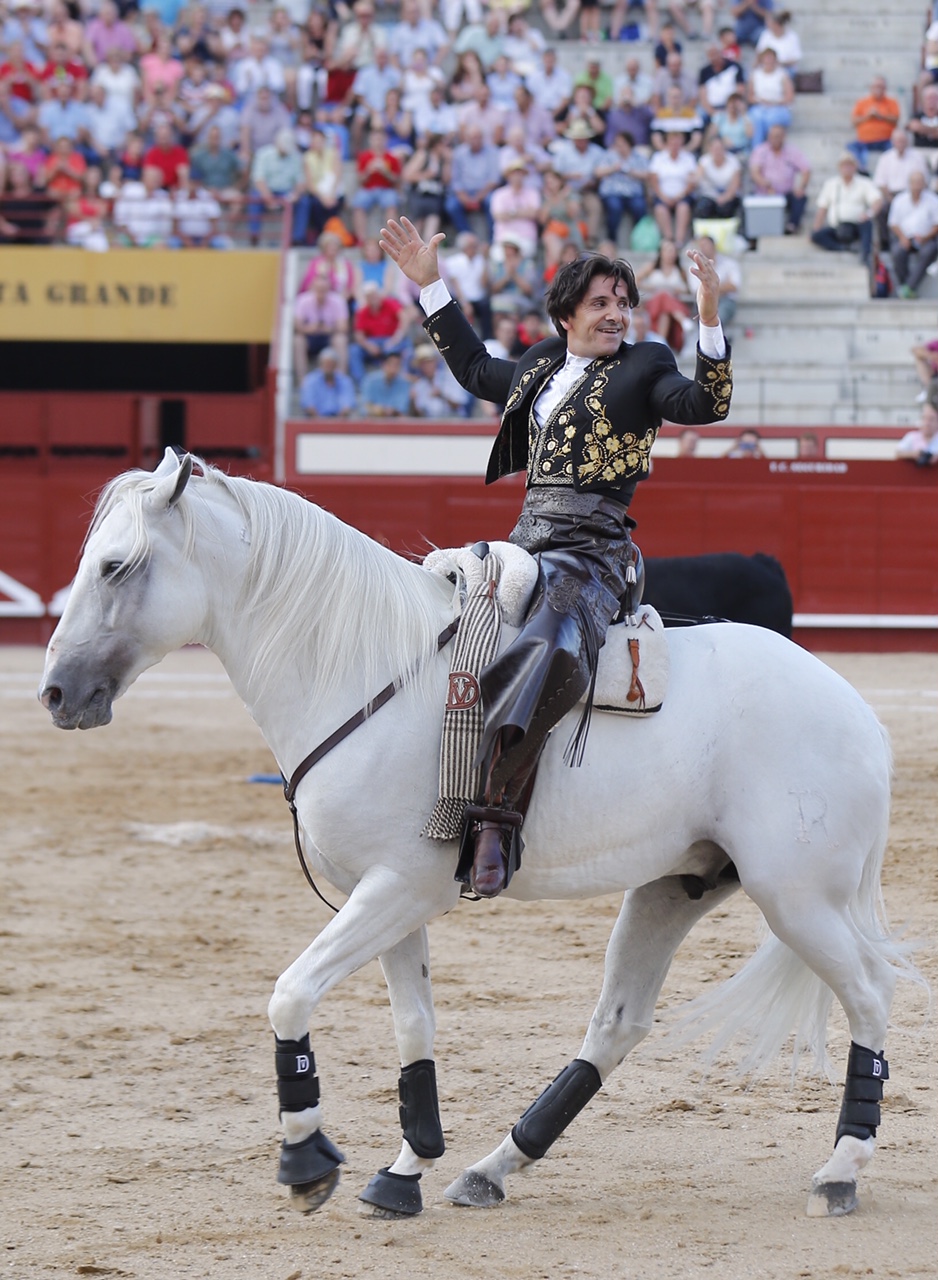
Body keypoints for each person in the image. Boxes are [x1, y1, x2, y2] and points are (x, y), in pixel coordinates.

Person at [378, 215, 732, 897]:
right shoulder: (542, 364)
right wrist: (432, 288)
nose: (616, 315)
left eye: (623, 303)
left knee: (549, 647)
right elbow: (478, 368)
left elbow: (704, 404)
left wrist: (709, 318)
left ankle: (493, 816)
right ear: (567, 314)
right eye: (601, 303)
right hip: (526, 543)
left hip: (593, 554)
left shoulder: (646, 365)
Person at [810, 152, 881, 266]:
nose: (847, 168)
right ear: (839, 167)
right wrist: (816, 227)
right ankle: (842, 248)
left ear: (855, 166)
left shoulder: (864, 182)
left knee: (867, 224)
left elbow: (877, 200)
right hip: (837, 228)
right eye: (844, 165)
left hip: (857, 226)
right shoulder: (831, 184)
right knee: (816, 235)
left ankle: (865, 255)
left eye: (850, 165)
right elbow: (822, 208)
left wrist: (869, 213)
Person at [748, 122, 810, 234]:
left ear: (783, 136)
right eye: (772, 136)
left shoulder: (792, 151)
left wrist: (801, 187)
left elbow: (806, 170)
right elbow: (754, 172)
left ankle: (792, 226)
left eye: (777, 136)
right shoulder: (761, 150)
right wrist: (765, 183)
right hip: (765, 193)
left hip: (785, 193)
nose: (774, 139)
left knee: (800, 197)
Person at [887, 170, 938, 299]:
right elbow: (893, 223)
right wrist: (903, 238)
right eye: (915, 182)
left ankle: (907, 288)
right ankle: (908, 287)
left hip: (926, 239)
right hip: (903, 237)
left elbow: (936, 224)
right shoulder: (900, 199)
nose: (917, 185)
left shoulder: (933, 199)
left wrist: (925, 238)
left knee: (930, 251)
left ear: (924, 183)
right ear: (909, 184)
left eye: (920, 182)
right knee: (897, 252)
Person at [848, 76, 901, 175]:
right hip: (864, 141)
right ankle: (862, 169)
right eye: (876, 86)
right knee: (851, 147)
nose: (878, 89)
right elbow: (854, 122)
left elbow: (896, 120)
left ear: (885, 88)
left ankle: (892, 172)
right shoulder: (862, 102)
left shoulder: (892, 102)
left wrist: (880, 116)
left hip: (885, 140)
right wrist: (868, 116)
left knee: (895, 148)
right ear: (871, 87)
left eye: (880, 86)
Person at [299, 347, 357, 418]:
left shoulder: (345, 380)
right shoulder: (310, 380)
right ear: (320, 364)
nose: (328, 367)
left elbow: (348, 404)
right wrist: (321, 424)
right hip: (315, 423)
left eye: (331, 364)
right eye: (326, 364)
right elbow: (308, 405)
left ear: (336, 365)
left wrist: (337, 423)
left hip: (340, 423)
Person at [361, 350, 413, 417]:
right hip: (373, 419)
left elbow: (402, 408)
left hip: (394, 420)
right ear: (383, 364)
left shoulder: (404, 383)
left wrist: (386, 410)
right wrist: (377, 410)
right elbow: (364, 405)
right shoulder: (370, 380)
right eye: (391, 364)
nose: (394, 367)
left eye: (397, 364)